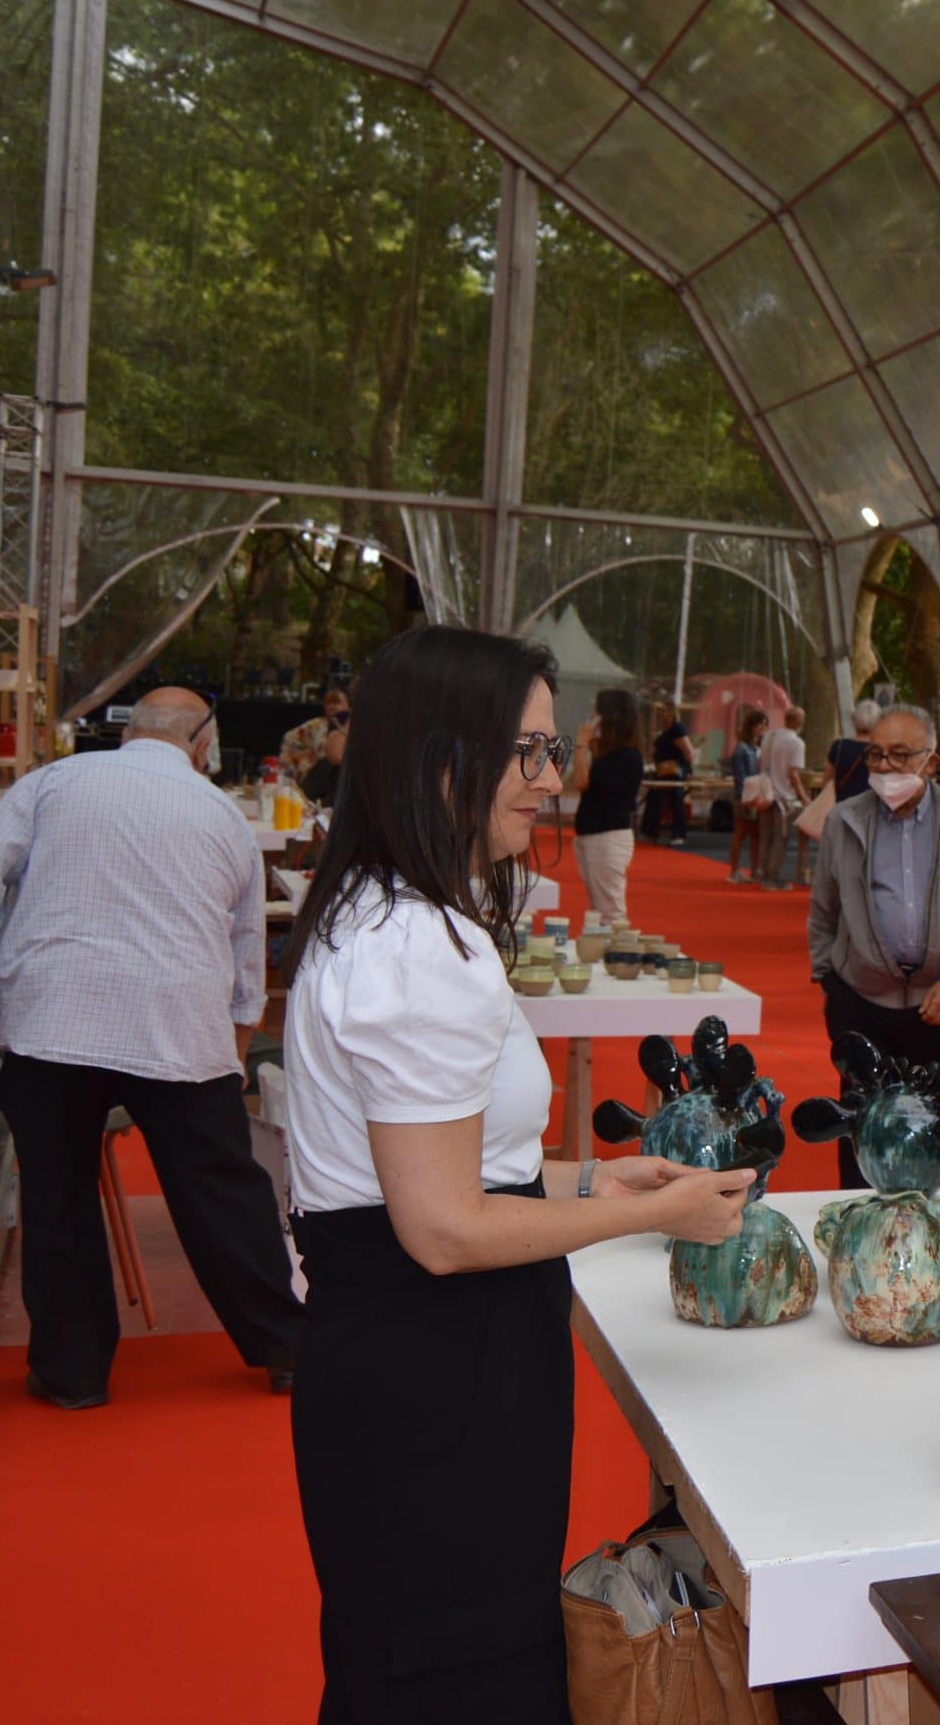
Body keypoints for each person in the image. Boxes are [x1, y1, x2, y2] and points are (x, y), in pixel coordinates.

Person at [277, 627, 752, 1722]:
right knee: (458, 1668)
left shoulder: (384, 912)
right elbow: (442, 1227)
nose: (551, 778)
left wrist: (593, 1182)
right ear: (442, 758)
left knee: (416, 1659)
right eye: (529, 751)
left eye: (553, 748)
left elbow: (438, 1166)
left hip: (409, 1356)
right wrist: (652, 1215)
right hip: (440, 1367)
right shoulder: (420, 948)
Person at [0, 686, 306, 1411]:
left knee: (58, 1195)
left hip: (52, 1017)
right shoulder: (221, 814)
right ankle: (285, 1343)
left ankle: (72, 1373)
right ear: (201, 743)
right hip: (177, 1021)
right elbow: (245, 947)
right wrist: (231, 1046)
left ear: (131, 730)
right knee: (221, 1189)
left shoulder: (52, 782)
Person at [810, 704, 940, 1188]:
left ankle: (925, 1220)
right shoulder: (843, 821)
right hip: (859, 1000)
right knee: (861, 1124)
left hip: (938, 1004)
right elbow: (823, 913)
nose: (885, 767)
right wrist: (830, 981)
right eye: (875, 755)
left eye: (899, 755)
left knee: (930, 1127)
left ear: (931, 762)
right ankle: (855, 1216)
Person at [568, 688, 645, 924]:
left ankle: (617, 946)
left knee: (610, 911)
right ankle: (606, 944)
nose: (592, 718)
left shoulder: (627, 756)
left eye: (597, 713)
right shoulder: (611, 755)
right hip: (594, 835)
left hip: (607, 837)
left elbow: (580, 781)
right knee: (601, 909)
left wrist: (581, 744)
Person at [758, 704, 811, 891]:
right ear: (800, 722)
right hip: (783, 796)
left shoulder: (769, 736)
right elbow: (793, 774)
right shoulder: (797, 743)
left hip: (766, 793)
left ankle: (762, 872)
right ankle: (772, 877)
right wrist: (803, 797)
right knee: (780, 838)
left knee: (766, 836)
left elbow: (761, 763)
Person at [725, 707, 770, 884]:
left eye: (765, 725)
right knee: (741, 832)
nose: (764, 728)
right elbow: (740, 777)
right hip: (744, 796)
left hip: (757, 796)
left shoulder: (758, 748)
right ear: (752, 726)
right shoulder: (742, 749)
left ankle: (754, 869)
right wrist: (745, 798)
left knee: (755, 834)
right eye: (761, 724)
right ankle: (734, 870)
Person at [643, 701, 694, 846]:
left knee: (676, 800)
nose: (661, 714)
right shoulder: (665, 729)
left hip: (674, 771)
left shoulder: (677, 728)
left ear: (671, 712)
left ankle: (678, 834)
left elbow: (689, 752)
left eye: (664, 711)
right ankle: (650, 832)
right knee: (654, 798)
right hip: (661, 771)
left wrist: (686, 770)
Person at [278, 684, 349, 785]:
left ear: (348, 705)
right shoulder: (316, 725)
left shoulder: (353, 725)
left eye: (336, 702)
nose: (331, 706)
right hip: (321, 774)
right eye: (328, 703)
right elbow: (290, 737)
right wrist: (305, 762)